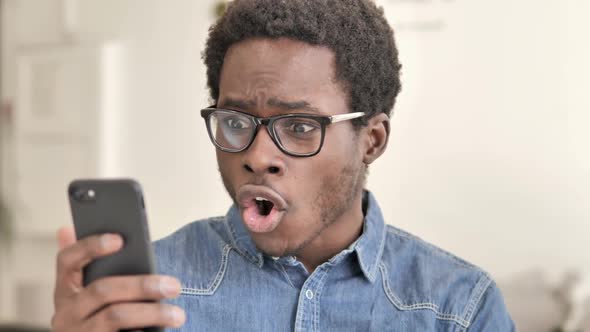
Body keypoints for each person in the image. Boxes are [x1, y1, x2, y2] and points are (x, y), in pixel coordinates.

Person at [51, 0, 515, 331]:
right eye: (235, 121)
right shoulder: (145, 293)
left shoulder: (457, 307)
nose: (256, 156)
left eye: (298, 126)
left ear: (371, 141)